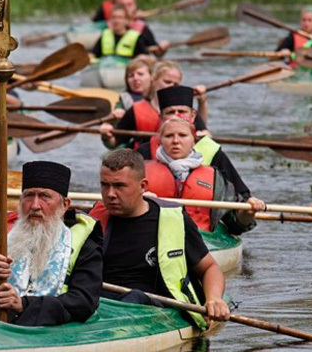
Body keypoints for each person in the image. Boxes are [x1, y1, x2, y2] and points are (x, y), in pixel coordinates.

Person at [0, 161, 102, 326]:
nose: (35, 205)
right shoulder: (5, 240)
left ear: (65, 205)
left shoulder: (85, 247)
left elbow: (83, 302)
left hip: (38, 326)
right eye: (29, 196)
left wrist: (23, 305)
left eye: (45, 197)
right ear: (20, 202)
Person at [93, 149, 231, 327]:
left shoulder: (173, 219)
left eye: (119, 186)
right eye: (105, 185)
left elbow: (209, 268)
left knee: (134, 297)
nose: (110, 194)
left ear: (143, 186)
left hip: (155, 306)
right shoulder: (94, 219)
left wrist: (214, 299)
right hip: (105, 304)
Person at [137, 85, 266, 234]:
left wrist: (248, 210)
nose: (176, 117)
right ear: (161, 118)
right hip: (153, 230)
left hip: (201, 234)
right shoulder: (143, 153)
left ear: (192, 116)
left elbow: (241, 199)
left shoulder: (213, 154)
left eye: (182, 112)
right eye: (171, 112)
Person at [100, 60, 207, 150]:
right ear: (154, 80)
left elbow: (204, 132)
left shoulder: (183, 111)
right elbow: (113, 143)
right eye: (167, 82)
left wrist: (202, 101)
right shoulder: (137, 110)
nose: (171, 86)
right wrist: (106, 136)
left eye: (176, 84)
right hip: (145, 163)